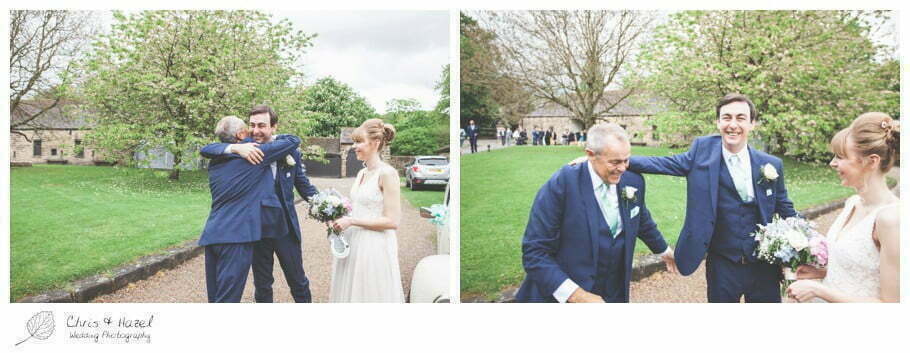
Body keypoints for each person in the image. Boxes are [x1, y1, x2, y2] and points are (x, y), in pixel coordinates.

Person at [627, 93, 797, 303]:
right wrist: (613, 159)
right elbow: (662, 163)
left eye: (740, 118)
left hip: (764, 265)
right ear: (718, 122)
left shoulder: (771, 164)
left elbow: (785, 208)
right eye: (726, 117)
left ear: (752, 124)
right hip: (722, 264)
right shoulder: (701, 152)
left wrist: (808, 243)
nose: (733, 124)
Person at [516, 123, 677, 303]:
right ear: (590, 155)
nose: (623, 168)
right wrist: (576, 295)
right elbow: (534, 251)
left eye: (626, 160)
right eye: (615, 162)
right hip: (564, 296)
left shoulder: (632, 180)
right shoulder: (562, 184)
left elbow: (639, 218)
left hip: (614, 292)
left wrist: (663, 250)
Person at [201, 105, 319, 303]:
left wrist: (324, 207)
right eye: (252, 125)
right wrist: (236, 147)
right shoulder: (247, 150)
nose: (255, 130)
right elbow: (208, 148)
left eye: (262, 125)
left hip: (284, 228)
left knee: (297, 280)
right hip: (256, 228)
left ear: (274, 127)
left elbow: (303, 185)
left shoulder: (286, 151)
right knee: (262, 284)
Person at [787, 113, 900, 303]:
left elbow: (892, 304)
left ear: (872, 161)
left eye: (840, 157)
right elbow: (862, 268)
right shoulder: (853, 203)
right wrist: (822, 272)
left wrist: (818, 290)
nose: (832, 163)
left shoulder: (891, 219)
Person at [329, 119, 405, 302]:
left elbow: (392, 221)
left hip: (374, 246)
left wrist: (352, 221)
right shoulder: (362, 173)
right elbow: (358, 208)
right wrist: (338, 217)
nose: (355, 146)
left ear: (376, 143)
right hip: (353, 243)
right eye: (354, 142)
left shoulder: (387, 174)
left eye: (359, 141)